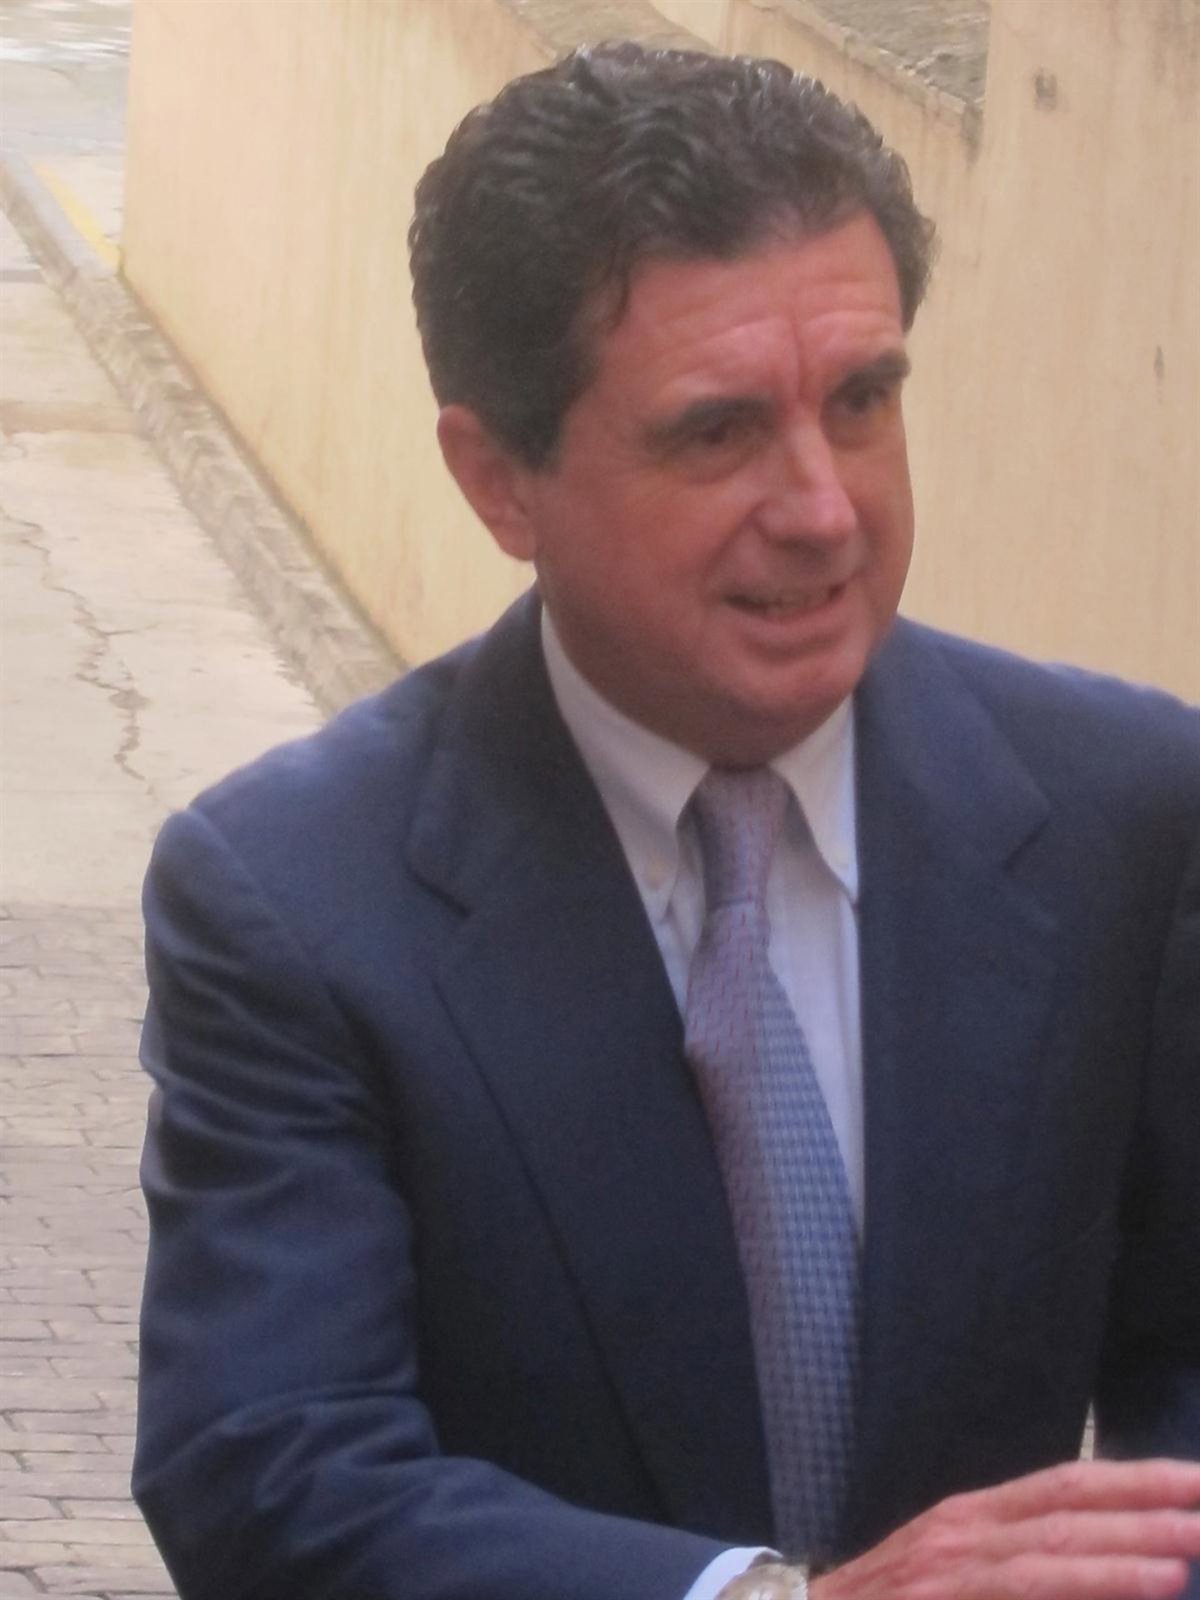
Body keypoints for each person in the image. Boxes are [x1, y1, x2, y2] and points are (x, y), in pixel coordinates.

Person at [133, 41, 1200, 1600]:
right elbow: (271, 1467)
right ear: (499, 481)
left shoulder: (1131, 811)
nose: (824, 508)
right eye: (717, 433)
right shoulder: (294, 900)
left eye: (862, 400)